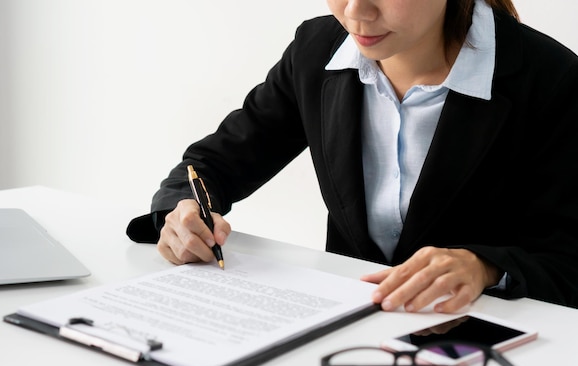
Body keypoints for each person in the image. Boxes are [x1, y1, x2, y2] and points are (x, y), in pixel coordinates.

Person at [127, 0, 578, 313]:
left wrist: (484, 267)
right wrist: (181, 213)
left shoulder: (551, 79)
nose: (356, 14)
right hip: (343, 334)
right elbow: (212, 164)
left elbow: (567, 264)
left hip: (483, 352)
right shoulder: (317, 49)